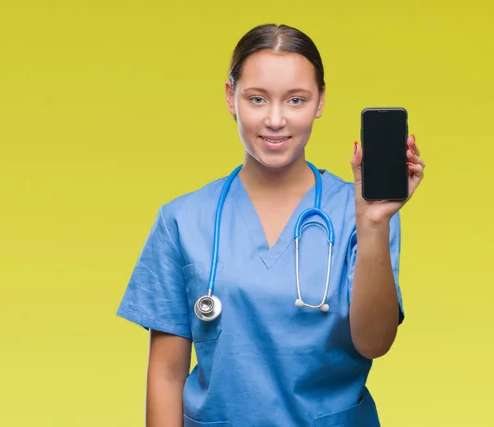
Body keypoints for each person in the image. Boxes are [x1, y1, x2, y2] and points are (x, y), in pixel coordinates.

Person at [116, 23, 425, 427]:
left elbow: (374, 343)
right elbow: (166, 374)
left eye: (296, 100)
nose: (275, 119)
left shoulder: (361, 211)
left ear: (320, 102)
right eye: (257, 99)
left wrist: (372, 224)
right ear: (231, 97)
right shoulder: (182, 220)